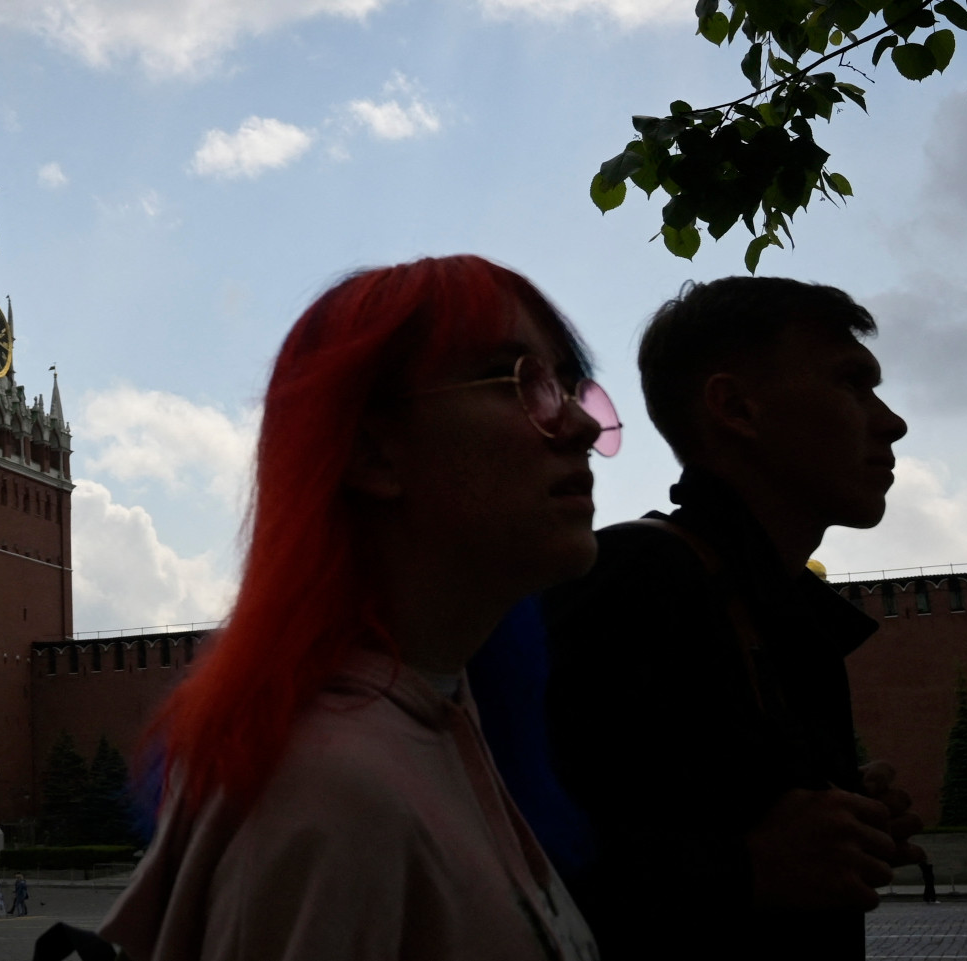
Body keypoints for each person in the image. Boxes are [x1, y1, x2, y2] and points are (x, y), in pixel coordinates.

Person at [100, 256, 615, 960]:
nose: (582, 425)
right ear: (374, 451)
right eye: (519, 379)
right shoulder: (329, 790)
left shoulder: (441, 717)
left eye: (565, 384)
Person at [535, 276, 925, 958]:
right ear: (736, 408)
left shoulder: (777, 606)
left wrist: (840, 825)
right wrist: (746, 870)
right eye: (852, 383)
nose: (891, 421)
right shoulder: (635, 586)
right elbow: (523, 869)